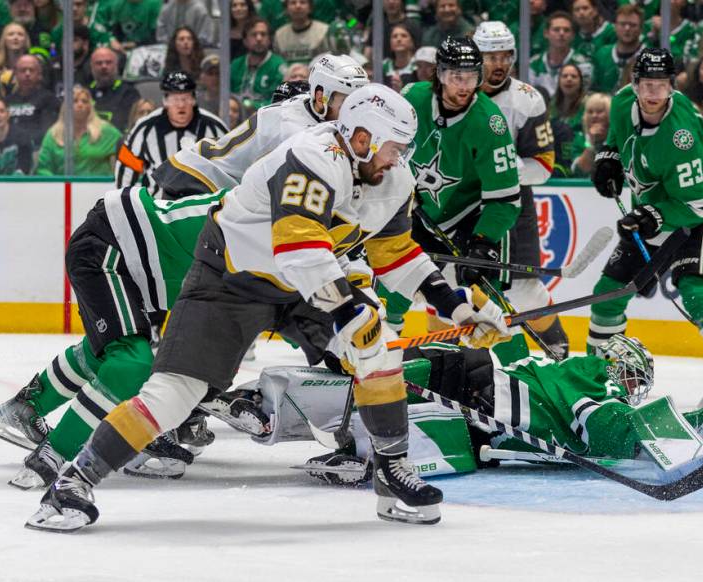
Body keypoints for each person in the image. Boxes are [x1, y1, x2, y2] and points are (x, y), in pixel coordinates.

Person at [25, 85, 509, 531]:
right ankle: (73, 482)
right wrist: (347, 312)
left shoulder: (391, 177)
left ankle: (391, 473)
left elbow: (396, 253)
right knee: (174, 393)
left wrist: (455, 306)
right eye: (392, 147)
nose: (398, 158)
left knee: (377, 351)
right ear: (361, 137)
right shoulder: (312, 155)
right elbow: (298, 247)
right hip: (231, 276)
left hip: (305, 283)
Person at [230, 335, 703, 485]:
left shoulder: (576, 375)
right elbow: (603, 427)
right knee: (374, 384)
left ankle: (283, 416)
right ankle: (264, 398)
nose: (631, 386)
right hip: (476, 385)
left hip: (478, 412)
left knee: (440, 438)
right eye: (632, 376)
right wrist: (685, 433)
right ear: (616, 366)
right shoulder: (589, 375)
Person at [0, 186, 227, 485]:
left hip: (132, 259)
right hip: (109, 247)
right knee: (130, 364)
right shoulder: (255, 226)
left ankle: (28, 405)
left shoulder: (264, 222)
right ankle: (54, 452)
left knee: (111, 351)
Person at [590, 48, 703, 401]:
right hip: (651, 216)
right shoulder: (621, 103)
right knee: (607, 297)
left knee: (698, 295)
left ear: (672, 86)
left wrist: (655, 216)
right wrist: (609, 157)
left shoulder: (681, 137)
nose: (653, 94)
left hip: (697, 220)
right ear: (634, 85)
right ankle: (593, 384)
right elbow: (618, 142)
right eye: (647, 85)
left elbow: (700, 203)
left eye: (662, 86)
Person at [394, 37, 524, 358]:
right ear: (438, 75)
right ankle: (378, 366)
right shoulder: (411, 99)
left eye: (471, 77)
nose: (465, 86)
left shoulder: (490, 123)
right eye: (456, 77)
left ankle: (523, 373)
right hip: (418, 211)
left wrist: (484, 240)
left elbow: (505, 199)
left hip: (472, 216)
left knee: (488, 302)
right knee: (392, 286)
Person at [474, 21, 570, 358]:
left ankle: (556, 348)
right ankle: (442, 360)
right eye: (490, 56)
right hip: (461, 204)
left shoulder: (527, 99)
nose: (498, 64)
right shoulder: (457, 92)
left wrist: (499, 168)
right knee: (453, 286)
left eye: (505, 56)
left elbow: (542, 167)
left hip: (511, 205)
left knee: (525, 289)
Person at [153, 54, 367, 198]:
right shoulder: (294, 131)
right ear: (321, 96)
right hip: (199, 181)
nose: (354, 113)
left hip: (217, 183)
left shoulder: (309, 105)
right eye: (346, 103)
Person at [115, 71, 228, 194]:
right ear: (165, 101)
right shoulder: (144, 128)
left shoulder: (214, 127)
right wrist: (124, 202)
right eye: (175, 99)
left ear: (194, 100)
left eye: (185, 98)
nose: (181, 105)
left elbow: (230, 166)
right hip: (157, 207)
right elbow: (126, 168)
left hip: (202, 207)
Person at [35, 85, 122, 176]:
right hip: (62, 188)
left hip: (98, 188)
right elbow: (43, 168)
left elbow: (128, 155)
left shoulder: (106, 131)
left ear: (90, 106)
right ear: (66, 106)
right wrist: (55, 185)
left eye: (85, 101)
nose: (80, 105)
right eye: (74, 101)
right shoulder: (54, 133)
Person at [529, 11, 593, 97]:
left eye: (566, 30)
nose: (561, 33)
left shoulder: (583, 65)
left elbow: (582, 96)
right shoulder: (533, 64)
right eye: (556, 29)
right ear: (546, 33)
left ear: (573, 35)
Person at [3, 54, 60, 149]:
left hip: (38, 149)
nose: (27, 74)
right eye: (23, 70)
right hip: (10, 150)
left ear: (39, 74)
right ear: (15, 74)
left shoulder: (49, 99)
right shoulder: (6, 101)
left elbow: (47, 132)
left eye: (31, 70)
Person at [231, 17, 286, 109]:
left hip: (265, 116)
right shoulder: (235, 64)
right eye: (254, 35)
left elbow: (279, 100)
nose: (259, 38)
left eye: (263, 34)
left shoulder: (278, 66)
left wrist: (253, 106)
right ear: (245, 41)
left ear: (269, 40)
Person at [590, 5, 644, 94]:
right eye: (622, 24)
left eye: (632, 25)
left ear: (641, 28)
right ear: (615, 26)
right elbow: (593, 90)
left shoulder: (649, 58)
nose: (627, 29)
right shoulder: (601, 54)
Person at [88, 47, 141, 132]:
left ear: (116, 65)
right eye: (99, 63)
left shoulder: (129, 93)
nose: (104, 66)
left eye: (108, 62)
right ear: (91, 67)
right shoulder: (85, 93)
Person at [550, 62, 586, 170]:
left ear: (580, 82)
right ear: (559, 81)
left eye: (574, 76)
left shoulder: (588, 106)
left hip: (579, 155)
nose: (569, 79)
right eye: (564, 76)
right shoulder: (551, 106)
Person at [274, 0, 332, 65]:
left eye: (302, 2)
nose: (298, 6)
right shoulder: (279, 35)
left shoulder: (324, 31)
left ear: (310, 8)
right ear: (286, 9)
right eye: (293, 3)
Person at [570, 91, 609, 177]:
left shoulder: (618, 136)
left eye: (599, 112)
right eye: (590, 112)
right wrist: (591, 143)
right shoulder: (579, 138)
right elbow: (580, 170)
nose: (594, 115)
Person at [644, 0, 696, 65]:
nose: (671, 1)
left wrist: (667, 36)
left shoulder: (689, 29)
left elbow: (683, 57)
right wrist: (654, 35)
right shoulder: (648, 25)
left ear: (684, 2)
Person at [383, 22, 419, 90]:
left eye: (404, 36)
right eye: (394, 36)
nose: (399, 39)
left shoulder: (418, 65)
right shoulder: (384, 66)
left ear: (412, 42)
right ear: (390, 43)